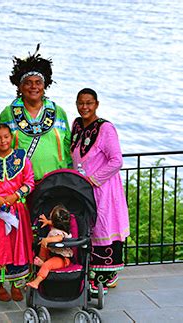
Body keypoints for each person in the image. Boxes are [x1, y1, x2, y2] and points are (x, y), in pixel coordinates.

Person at [70, 88, 130, 294]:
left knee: (103, 227)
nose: (84, 107)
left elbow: (116, 161)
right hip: (83, 189)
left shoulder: (106, 129)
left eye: (89, 103)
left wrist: (93, 180)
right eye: (80, 103)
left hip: (103, 189)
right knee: (88, 227)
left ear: (96, 104)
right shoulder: (76, 125)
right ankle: (90, 274)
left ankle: (104, 277)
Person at [0, 44, 72, 182]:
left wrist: (70, 175)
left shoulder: (58, 112)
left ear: (44, 86)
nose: (34, 87)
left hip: (55, 183)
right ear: (20, 87)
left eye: (38, 82)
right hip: (19, 184)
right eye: (28, 83)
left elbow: (68, 146)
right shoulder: (9, 113)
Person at [0, 123, 34, 302]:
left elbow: (29, 182)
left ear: (11, 138)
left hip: (16, 209)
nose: (3, 140)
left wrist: (16, 195)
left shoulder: (22, 158)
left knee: (16, 246)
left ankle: (16, 285)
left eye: (6, 137)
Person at [27, 205, 73, 289]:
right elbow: (55, 223)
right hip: (52, 254)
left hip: (61, 259)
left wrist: (47, 240)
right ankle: (42, 261)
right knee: (43, 246)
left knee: (47, 265)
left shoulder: (60, 233)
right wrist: (47, 222)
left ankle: (36, 282)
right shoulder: (60, 226)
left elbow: (59, 238)